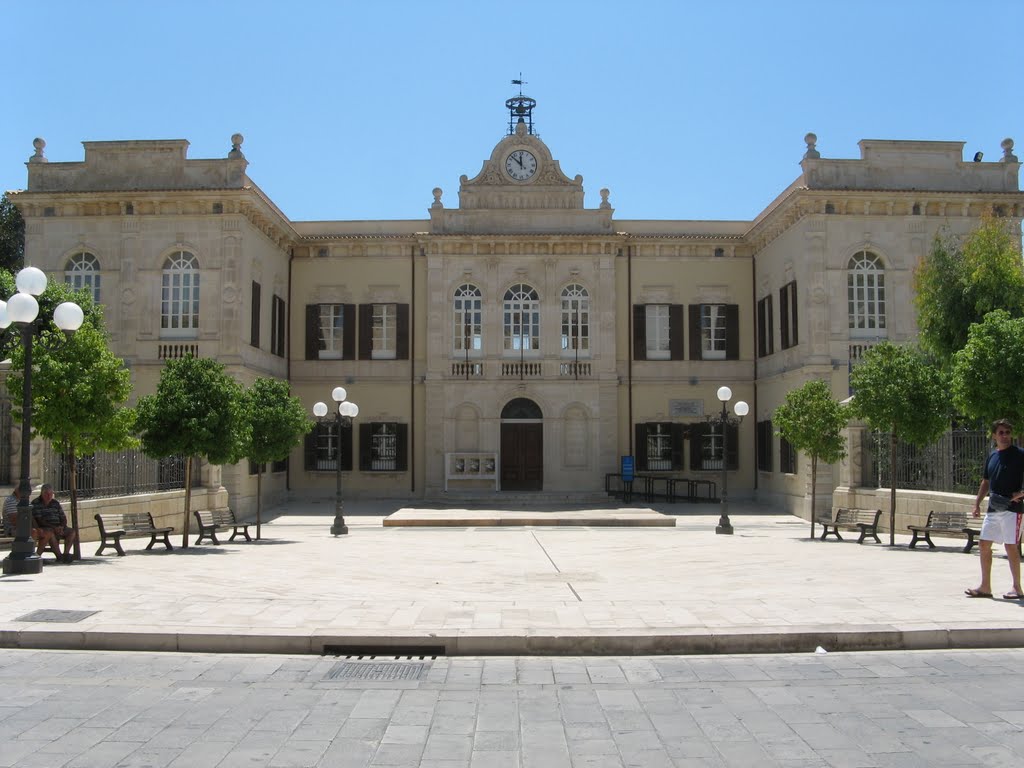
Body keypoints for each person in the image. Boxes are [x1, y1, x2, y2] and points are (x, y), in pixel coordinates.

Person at [965, 418, 1024, 599]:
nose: (1005, 436)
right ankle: (985, 586)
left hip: (1012, 510)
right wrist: (976, 504)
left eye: (1007, 432)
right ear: (994, 436)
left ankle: (1017, 588)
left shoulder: (1020, 454)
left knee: (1011, 546)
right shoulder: (992, 456)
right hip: (993, 509)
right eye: (1001, 432)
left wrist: (1019, 494)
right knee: (983, 544)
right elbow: (986, 481)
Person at [31, 484, 77, 563]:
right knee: (50, 533)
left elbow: (63, 517)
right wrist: (54, 527)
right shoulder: (36, 503)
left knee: (72, 532)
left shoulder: (55, 503)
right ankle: (59, 556)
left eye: (51, 494)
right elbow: (40, 520)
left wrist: (61, 526)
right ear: (42, 493)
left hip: (58, 527)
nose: (49, 496)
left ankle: (66, 554)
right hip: (45, 527)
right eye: (46, 494)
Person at [3, 486, 54, 551]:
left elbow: (31, 517)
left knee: (47, 532)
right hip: (12, 529)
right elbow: (14, 521)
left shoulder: (24, 500)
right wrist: (30, 528)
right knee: (33, 532)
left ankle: (37, 554)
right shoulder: (11, 501)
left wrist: (37, 528)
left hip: (25, 527)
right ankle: (30, 553)